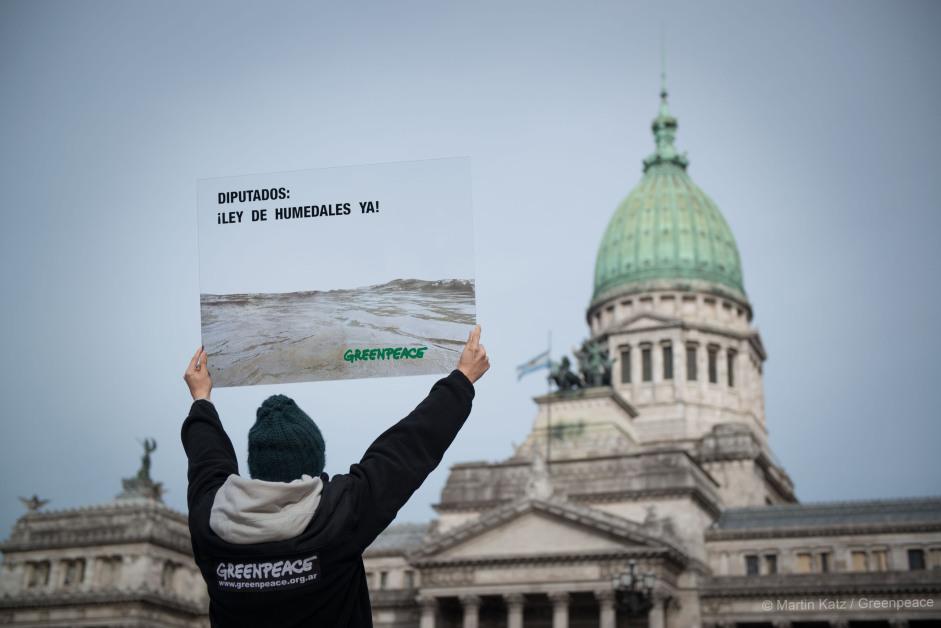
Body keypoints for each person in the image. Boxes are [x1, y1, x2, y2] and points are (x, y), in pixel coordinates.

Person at [181, 325, 489, 627]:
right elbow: (406, 448)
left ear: (254, 463)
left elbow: (206, 461)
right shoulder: (338, 516)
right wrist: (462, 379)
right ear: (314, 463)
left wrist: (201, 399)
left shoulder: (211, 522)